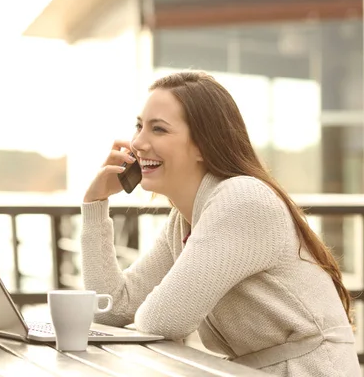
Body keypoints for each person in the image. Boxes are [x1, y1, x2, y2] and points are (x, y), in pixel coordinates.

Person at [80, 70, 359, 376]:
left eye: (158, 129)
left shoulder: (243, 201)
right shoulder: (185, 220)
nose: (138, 143)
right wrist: (94, 205)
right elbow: (111, 307)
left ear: (202, 144)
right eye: (139, 126)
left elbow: (160, 320)